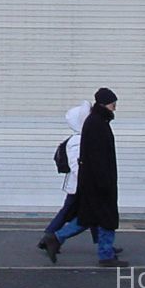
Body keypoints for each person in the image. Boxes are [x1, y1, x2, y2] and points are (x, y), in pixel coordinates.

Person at [42, 87, 126, 267]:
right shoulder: (97, 124)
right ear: (104, 104)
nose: (115, 108)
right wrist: (105, 181)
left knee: (92, 218)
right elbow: (96, 157)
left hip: (96, 181)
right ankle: (104, 254)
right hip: (100, 182)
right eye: (113, 104)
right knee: (103, 217)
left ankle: (57, 238)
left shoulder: (96, 122)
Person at [37, 101, 98, 250]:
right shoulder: (77, 141)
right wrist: (88, 182)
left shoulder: (82, 138)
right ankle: (49, 237)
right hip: (79, 186)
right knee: (81, 213)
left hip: (79, 185)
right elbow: (77, 165)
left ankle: (104, 244)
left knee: (90, 213)